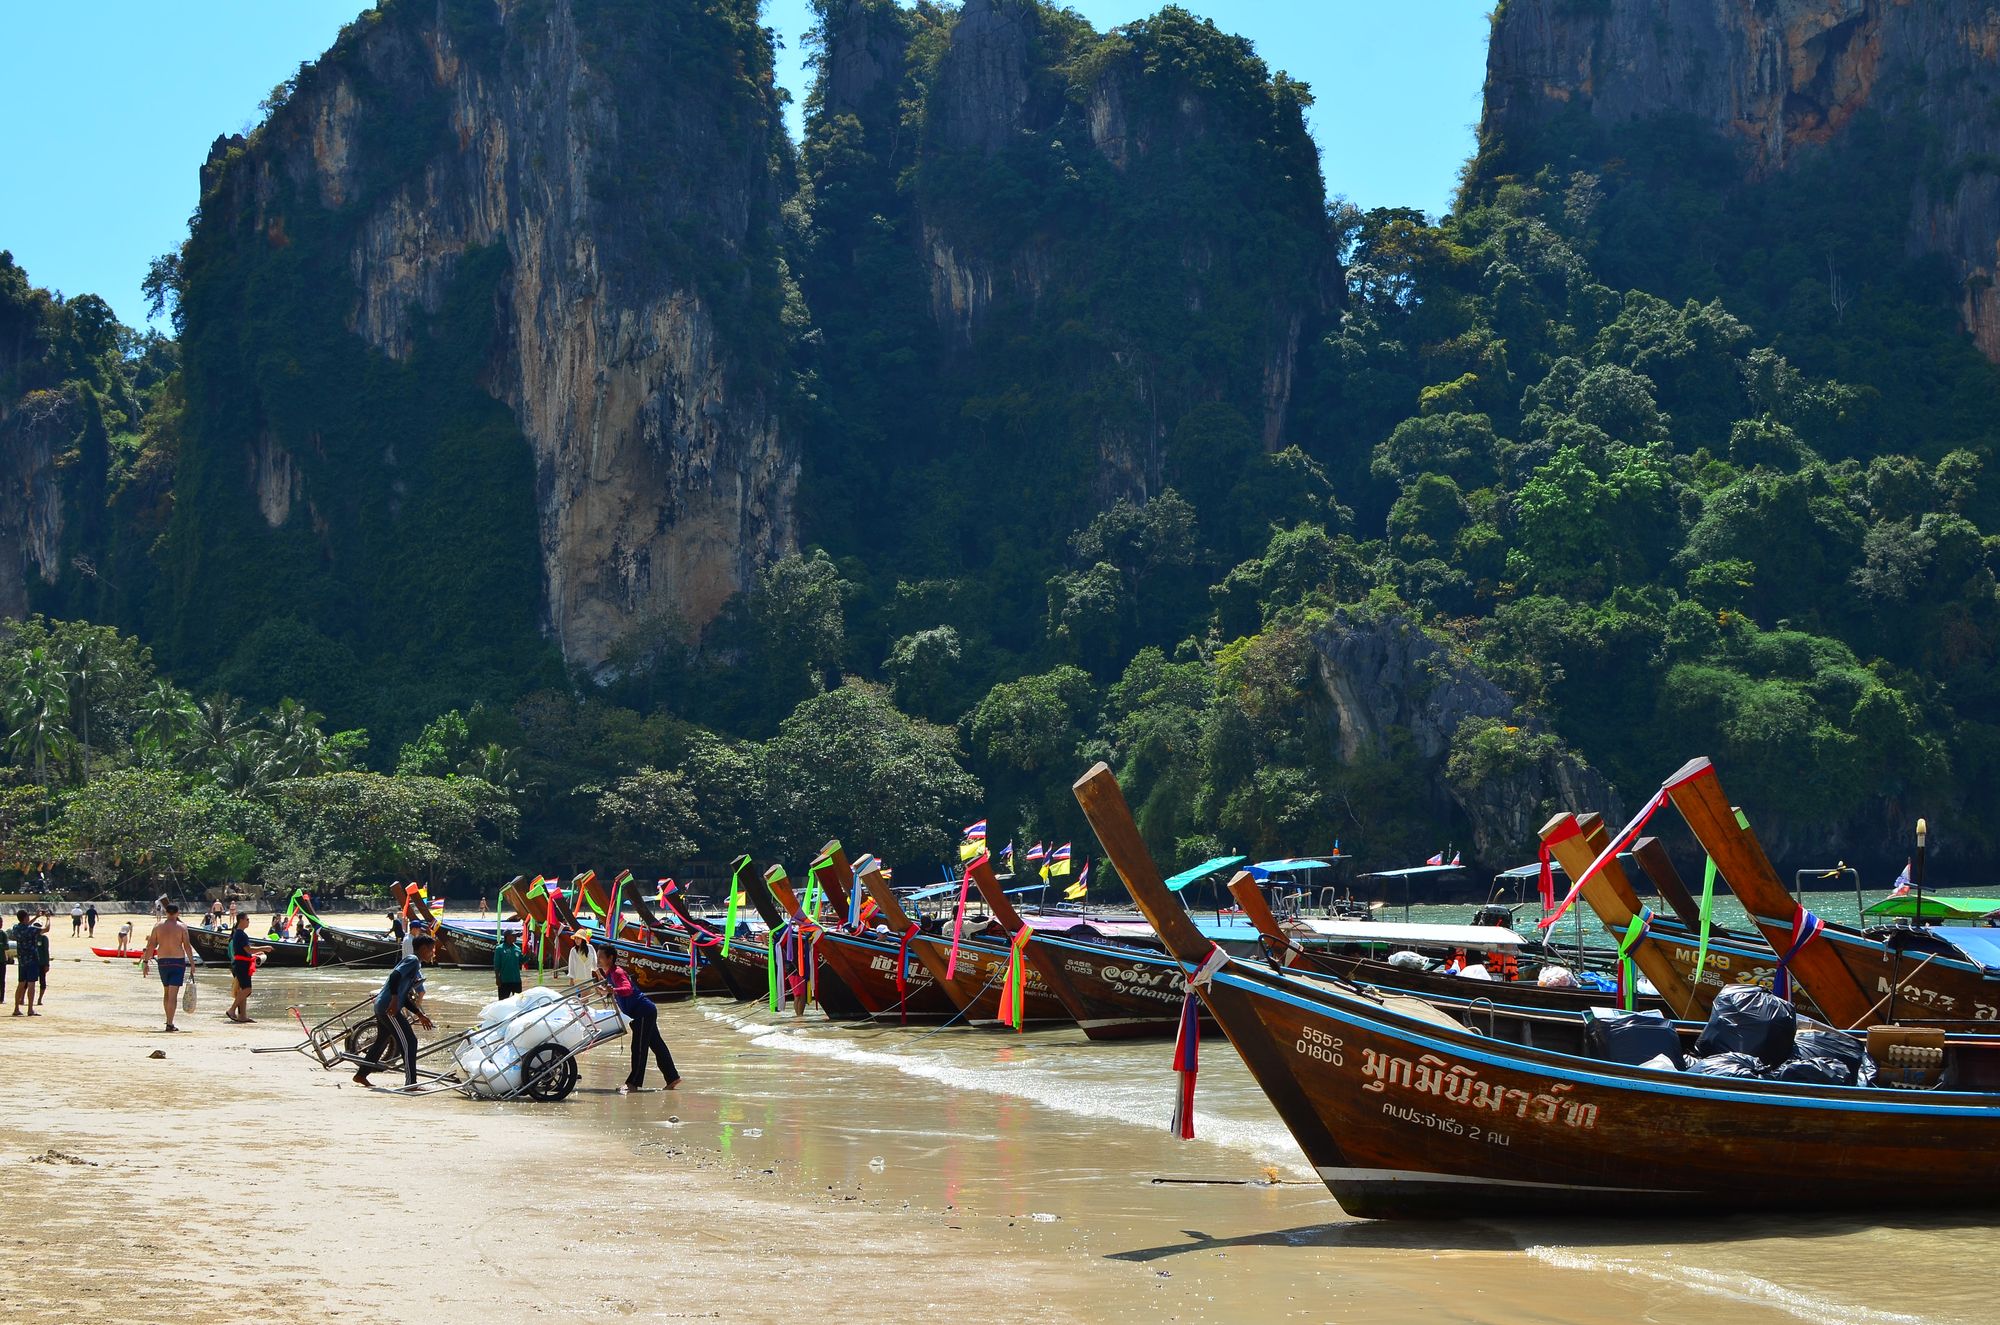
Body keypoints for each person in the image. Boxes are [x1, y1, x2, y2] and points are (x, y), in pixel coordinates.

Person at [353, 936, 434, 1089]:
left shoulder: (414, 964)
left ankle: (361, 1075)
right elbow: (394, 976)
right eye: (431, 949)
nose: (433, 953)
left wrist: (420, 1014)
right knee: (410, 1042)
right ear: (423, 948)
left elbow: (404, 996)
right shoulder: (413, 960)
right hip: (388, 1008)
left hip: (382, 1005)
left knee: (382, 1041)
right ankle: (411, 1082)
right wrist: (395, 999)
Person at [596, 945, 679, 1094]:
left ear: (610, 958)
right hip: (643, 1012)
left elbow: (627, 989)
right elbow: (617, 991)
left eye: (601, 957)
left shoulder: (617, 972)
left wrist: (613, 990)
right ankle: (672, 1078)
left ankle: (633, 1084)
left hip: (643, 1012)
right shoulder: (608, 973)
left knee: (638, 1048)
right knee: (657, 1046)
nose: (598, 960)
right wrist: (607, 992)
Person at [140, 901, 197, 1032]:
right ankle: (170, 1023)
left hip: (163, 961)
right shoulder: (182, 927)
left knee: (166, 992)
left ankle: (168, 1020)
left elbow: (151, 945)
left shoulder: (157, 926)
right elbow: (187, 946)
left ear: (166, 913)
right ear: (177, 913)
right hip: (177, 962)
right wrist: (192, 963)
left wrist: (145, 962)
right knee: (173, 995)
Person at [226, 912, 273, 1024]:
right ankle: (231, 1010)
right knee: (247, 989)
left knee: (243, 989)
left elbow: (245, 952)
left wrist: (255, 954)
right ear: (241, 920)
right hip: (241, 965)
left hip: (241, 963)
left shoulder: (238, 934)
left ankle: (242, 1016)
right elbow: (248, 950)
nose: (248, 921)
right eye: (247, 919)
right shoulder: (241, 934)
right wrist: (265, 948)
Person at [12, 910, 44, 1016]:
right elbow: (46, 929)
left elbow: (25, 926)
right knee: (31, 984)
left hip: (22, 960)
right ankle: (30, 1009)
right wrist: (48, 919)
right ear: (25, 918)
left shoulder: (16, 928)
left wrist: (36, 917)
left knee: (21, 984)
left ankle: (16, 1008)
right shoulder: (31, 930)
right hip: (32, 959)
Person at [493, 929, 523, 1000]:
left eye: (516, 936)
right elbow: (497, 965)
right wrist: (497, 978)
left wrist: (528, 955)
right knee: (502, 1001)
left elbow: (521, 962)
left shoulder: (517, 948)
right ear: (507, 937)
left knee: (519, 1001)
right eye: (514, 936)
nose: (516, 937)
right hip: (504, 981)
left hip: (516, 980)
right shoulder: (499, 949)